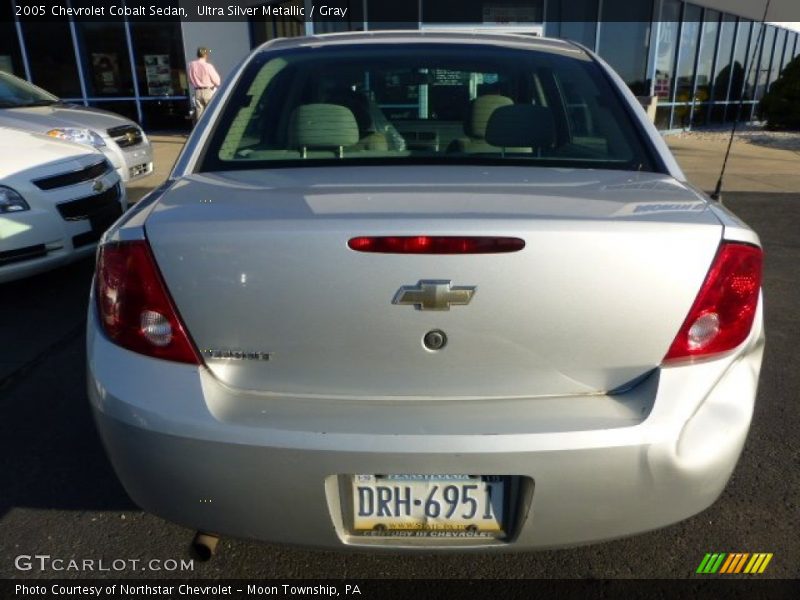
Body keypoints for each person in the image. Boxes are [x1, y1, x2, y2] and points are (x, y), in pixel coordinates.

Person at [187, 47, 221, 123]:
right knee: (210, 113)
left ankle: (201, 132)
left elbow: (190, 80)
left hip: (197, 91)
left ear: (197, 54)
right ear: (206, 55)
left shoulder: (191, 65)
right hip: (208, 91)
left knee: (199, 116)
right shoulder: (208, 66)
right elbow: (217, 81)